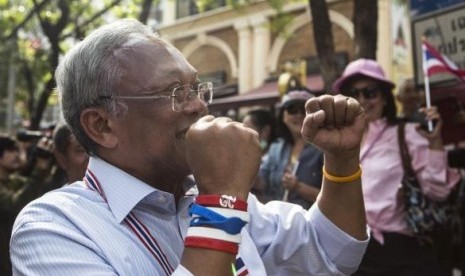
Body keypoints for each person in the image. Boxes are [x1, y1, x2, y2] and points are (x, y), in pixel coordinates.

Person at [10, 19, 369, 275]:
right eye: (174, 93)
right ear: (102, 125)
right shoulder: (53, 228)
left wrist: (341, 159)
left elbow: (331, 253)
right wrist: (222, 202)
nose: (198, 106)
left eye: (196, 88)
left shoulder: (200, 195)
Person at [332, 58, 461, 276]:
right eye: (354, 93)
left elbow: (438, 191)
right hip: (354, 250)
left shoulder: (407, 134)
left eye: (370, 92)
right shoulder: (338, 140)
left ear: (384, 97)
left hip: (402, 251)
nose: (362, 99)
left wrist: (435, 142)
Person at [258, 90, 324, 209]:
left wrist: (298, 187)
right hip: (277, 221)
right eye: (292, 109)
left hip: (311, 222)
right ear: (283, 115)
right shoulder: (275, 148)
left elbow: (334, 198)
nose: (299, 115)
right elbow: (262, 183)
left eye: (304, 110)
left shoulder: (323, 149)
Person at [0, 135, 52, 275]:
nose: (17, 155)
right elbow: (15, 205)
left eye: (18, 150)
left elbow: (42, 190)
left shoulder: (14, 181)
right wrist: (39, 170)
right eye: (11, 150)